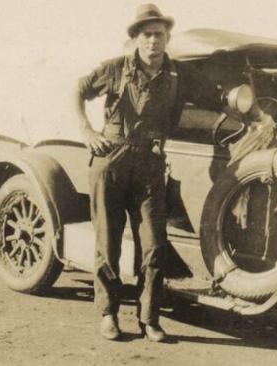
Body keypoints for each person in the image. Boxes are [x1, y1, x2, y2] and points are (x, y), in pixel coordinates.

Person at [74, 3, 223, 342]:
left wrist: (250, 108)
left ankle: (149, 319)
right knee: (108, 242)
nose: (154, 41)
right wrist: (85, 130)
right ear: (136, 39)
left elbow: (216, 98)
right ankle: (108, 314)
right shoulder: (115, 69)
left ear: (168, 38)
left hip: (151, 165)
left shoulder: (178, 74)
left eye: (159, 34)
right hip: (110, 159)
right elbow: (78, 89)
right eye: (147, 35)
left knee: (154, 245)